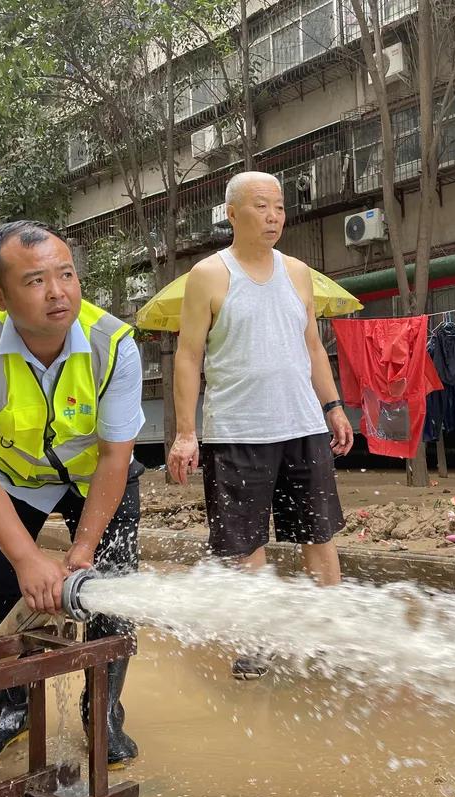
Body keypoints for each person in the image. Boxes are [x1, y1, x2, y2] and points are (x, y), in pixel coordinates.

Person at [0, 221, 144, 769]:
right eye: (35, 281)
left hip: (92, 477)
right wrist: (27, 559)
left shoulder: (114, 344)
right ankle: (11, 708)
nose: (58, 292)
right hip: (12, 479)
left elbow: (113, 456)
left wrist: (81, 552)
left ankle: (102, 708)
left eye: (66, 274)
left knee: (112, 581)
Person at [168, 171, 353, 680]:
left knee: (320, 535)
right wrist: (186, 433)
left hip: (300, 426)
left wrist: (333, 405)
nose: (273, 216)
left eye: (278, 207)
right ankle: (260, 641)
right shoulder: (209, 274)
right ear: (231, 214)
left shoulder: (298, 273)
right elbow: (188, 356)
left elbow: (313, 347)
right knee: (245, 545)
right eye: (260, 206)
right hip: (236, 432)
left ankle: (328, 636)